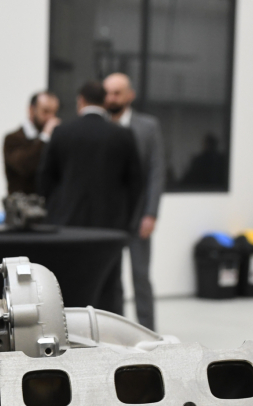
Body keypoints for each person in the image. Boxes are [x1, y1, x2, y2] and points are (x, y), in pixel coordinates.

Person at [38, 80, 143, 314]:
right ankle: (109, 333)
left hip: (67, 225)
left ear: (81, 101)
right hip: (110, 227)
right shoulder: (122, 134)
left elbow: (45, 179)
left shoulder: (62, 132)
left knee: (67, 283)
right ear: (105, 102)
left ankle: (71, 332)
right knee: (108, 285)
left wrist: (51, 216)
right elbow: (136, 183)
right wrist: (126, 222)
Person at [103, 72, 164, 330]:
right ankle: (115, 331)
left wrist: (151, 213)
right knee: (111, 279)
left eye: (117, 93)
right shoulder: (101, 126)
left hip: (139, 216)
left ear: (130, 95)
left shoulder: (148, 127)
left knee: (141, 276)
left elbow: (156, 172)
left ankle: (148, 331)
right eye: (108, 93)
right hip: (110, 219)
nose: (111, 98)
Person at [3, 91, 60, 195]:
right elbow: (26, 166)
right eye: (45, 111)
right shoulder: (13, 139)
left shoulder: (54, 139)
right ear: (31, 110)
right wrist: (45, 137)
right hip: (23, 202)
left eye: (54, 112)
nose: (50, 118)